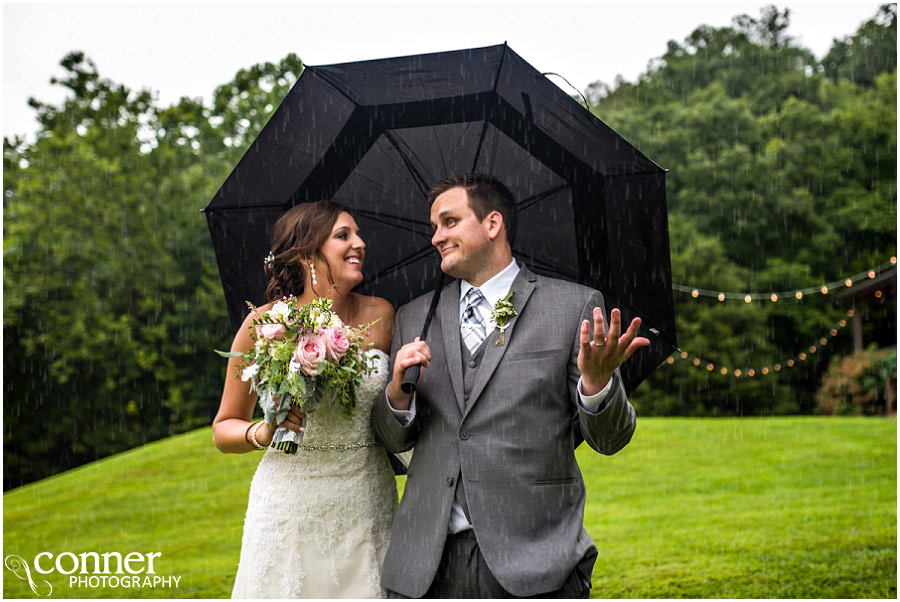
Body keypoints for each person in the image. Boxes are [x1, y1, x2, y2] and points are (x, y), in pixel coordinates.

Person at [372, 173, 648, 598]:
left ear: (493, 224)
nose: (435, 238)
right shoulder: (413, 316)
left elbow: (611, 440)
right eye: (433, 227)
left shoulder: (572, 307)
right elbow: (392, 440)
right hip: (425, 566)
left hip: (535, 561)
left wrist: (597, 384)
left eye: (448, 222)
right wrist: (397, 393)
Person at [213, 200, 398, 598]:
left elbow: (396, 410)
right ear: (306, 255)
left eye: (358, 234)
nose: (360, 244)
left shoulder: (381, 315)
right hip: (289, 503)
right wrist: (264, 432)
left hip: (366, 498)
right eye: (343, 235)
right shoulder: (264, 324)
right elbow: (223, 427)